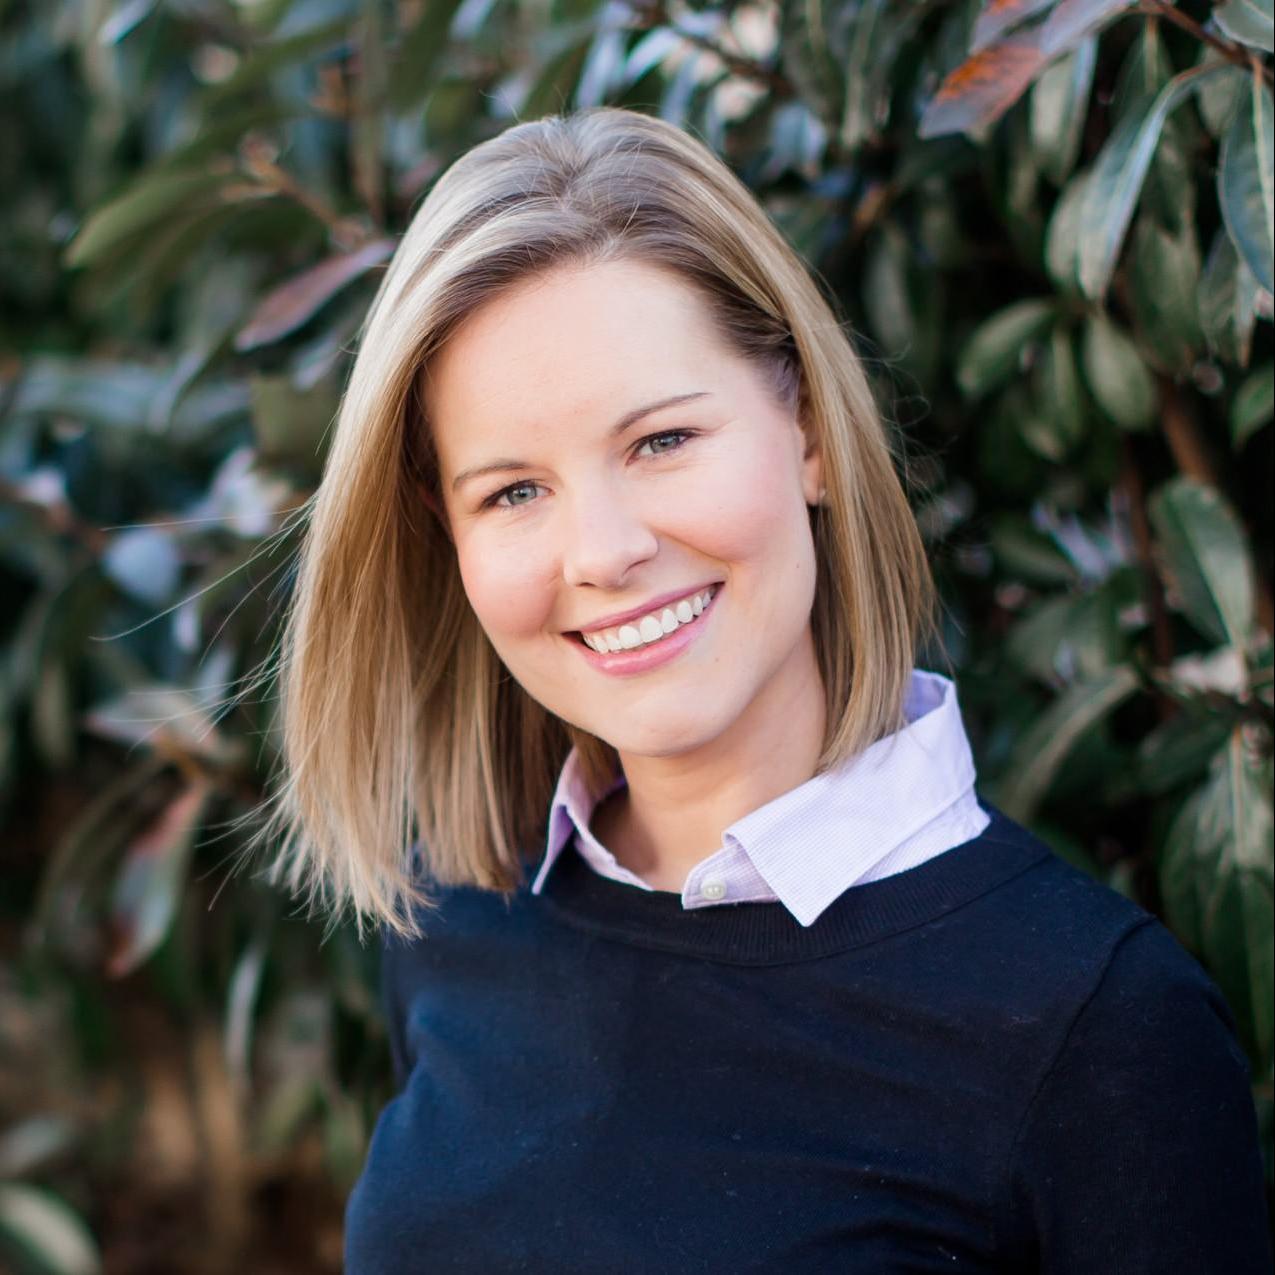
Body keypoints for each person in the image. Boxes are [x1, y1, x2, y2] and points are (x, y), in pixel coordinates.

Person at [252, 107, 1272, 1271]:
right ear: (450, 537)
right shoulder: (455, 915)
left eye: (661, 441)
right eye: (513, 492)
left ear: (809, 433)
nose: (603, 550)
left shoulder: (1097, 1025)